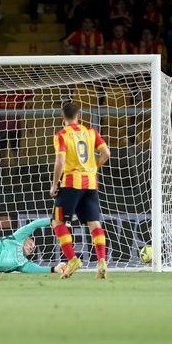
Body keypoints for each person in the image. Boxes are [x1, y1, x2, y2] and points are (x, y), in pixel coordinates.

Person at [50, 102, 111, 279]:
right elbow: (106, 153)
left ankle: (73, 260)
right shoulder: (92, 132)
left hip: (71, 183)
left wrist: (54, 185)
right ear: (80, 116)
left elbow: (60, 162)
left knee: (57, 222)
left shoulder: (62, 135)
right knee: (94, 223)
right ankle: (101, 261)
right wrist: (94, 168)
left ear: (62, 117)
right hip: (91, 183)